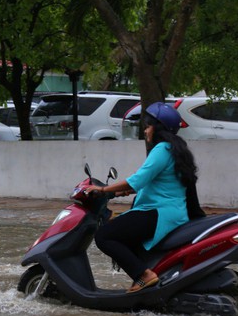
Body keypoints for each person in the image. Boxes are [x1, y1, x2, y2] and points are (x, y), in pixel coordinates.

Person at [85, 102, 201, 293]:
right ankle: (147, 278)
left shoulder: (162, 149)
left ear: (157, 128)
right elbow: (159, 183)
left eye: (147, 127)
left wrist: (103, 190)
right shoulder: (176, 149)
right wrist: (121, 191)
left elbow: (137, 180)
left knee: (104, 235)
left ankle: (144, 275)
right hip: (171, 212)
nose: (145, 132)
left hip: (158, 212)